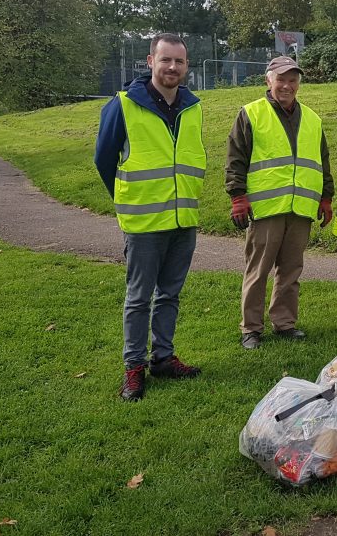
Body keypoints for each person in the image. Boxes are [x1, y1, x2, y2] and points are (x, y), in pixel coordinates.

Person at [94, 33, 204, 402]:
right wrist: (127, 198)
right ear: (150, 61)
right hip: (143, 222)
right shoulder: (123, 104)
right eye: (166, 60)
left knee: (170, 294)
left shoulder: (193, 106)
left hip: (182, 218)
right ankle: (133, 368)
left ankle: (163, 358)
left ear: (186, 66)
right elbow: (104, 159)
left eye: (179, 62)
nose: (172, 67)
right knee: (139, 298)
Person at [225, 56, 334, 350]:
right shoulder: (251, 113)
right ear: (268, 80)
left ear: (299, 83)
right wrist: (238, 197)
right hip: (266, 208)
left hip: (300, 208)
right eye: (281, 79)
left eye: (293, 79)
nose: (287, 85)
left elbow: (322, 161)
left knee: (291, 270)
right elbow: (236, 159)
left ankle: (284, 323)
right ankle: (251, 328)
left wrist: (326, 197)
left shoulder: (312, 118)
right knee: (258, 270)